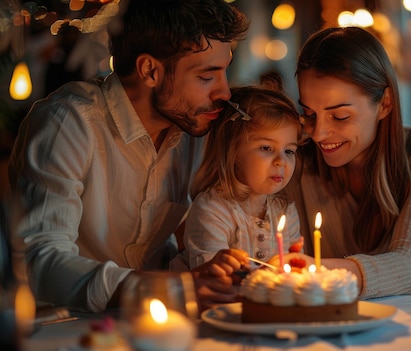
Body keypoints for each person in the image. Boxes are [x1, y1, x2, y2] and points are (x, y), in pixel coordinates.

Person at [6, 0, 248, 312]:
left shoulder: (194, 131)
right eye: (206, 76)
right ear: (150, 70)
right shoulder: (69, 123)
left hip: (158, 324)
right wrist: (168, 288)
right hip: (60, 328)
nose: (224, 93)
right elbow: (39, 260)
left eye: (224, 72)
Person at [275, 27, 411, 299]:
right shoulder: (294, 154)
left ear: (385, 103)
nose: (318, 133)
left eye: (340, 117)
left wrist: (320, 271)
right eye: (308, 113)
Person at [177, 80, 302, 273]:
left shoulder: (285, 212)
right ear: (233, 151)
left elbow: (292, 269)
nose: (281, 161)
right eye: (266, 148)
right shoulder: (212, 210)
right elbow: (213, 278)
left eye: (290, 151)